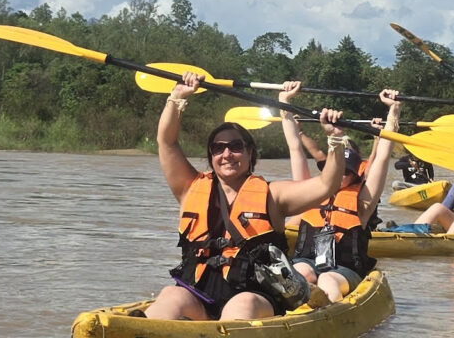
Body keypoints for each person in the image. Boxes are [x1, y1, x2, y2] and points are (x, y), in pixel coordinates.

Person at [147, 71, 346, 322]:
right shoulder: (189, 188)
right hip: (200, 297)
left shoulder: (273, 195)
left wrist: (335, 140)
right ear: (211, 157)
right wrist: (176, 98)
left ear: (250, 153)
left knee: (241, 304)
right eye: (218, 148)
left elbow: (327, 185)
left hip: (254, 299)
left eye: (236, 146)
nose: (227, 154)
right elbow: (166, 142)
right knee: (170, 296)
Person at [282, 87, 397, 303]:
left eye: (346, 171)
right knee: (298, 274)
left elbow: (382, 157)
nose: (340, 174)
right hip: (307, 261)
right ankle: (294, 309)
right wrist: (285, 103)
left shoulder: (363, 201)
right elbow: (295, 148)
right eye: (337, 168)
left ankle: (325, 315)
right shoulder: (310, 192)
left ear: (355, 174)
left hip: (343, 270)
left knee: (326, 280)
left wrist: (394, 112)